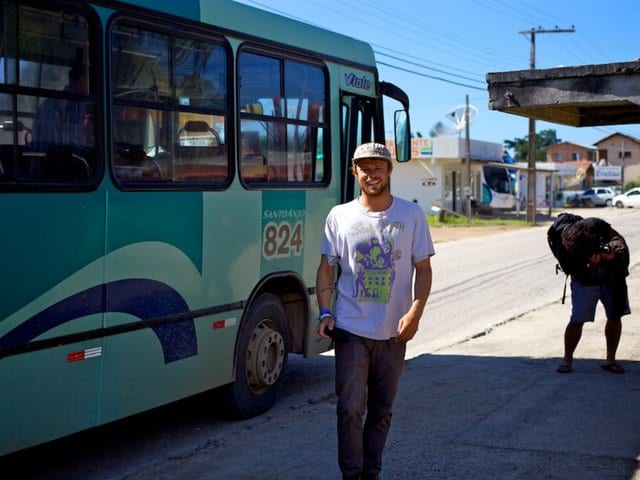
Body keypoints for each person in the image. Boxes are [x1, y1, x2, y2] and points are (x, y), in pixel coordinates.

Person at [316, 142, 435, 480]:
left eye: (378, 166)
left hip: (395, 333)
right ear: (355, 172)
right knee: (350, 408)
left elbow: (423, 268)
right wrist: (325, 312)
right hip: (351, 329)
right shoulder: (340, 215)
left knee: (382, 411)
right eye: (364, 167)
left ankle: (372, 473)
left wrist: (415, 311)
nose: (372, 173)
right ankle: (351, 475)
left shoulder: (411, 215)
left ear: (389, 171)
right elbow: (326, 268)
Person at [556, 217, 630, 374]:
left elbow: (618, 238)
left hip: (612, 279)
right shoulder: (567, 252)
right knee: (577, 320)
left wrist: (613, 251)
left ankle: (611, 360)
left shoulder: (595, 226)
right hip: (585, 283)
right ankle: (567, 360)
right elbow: (578, 275)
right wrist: (592, 266)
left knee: (614, 317)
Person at [31, 65, 92, 151]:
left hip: (39, 157)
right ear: (82, 80)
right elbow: (74, 142)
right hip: (62, 159)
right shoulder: (78, 104)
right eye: (89, 80)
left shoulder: (47, 103)